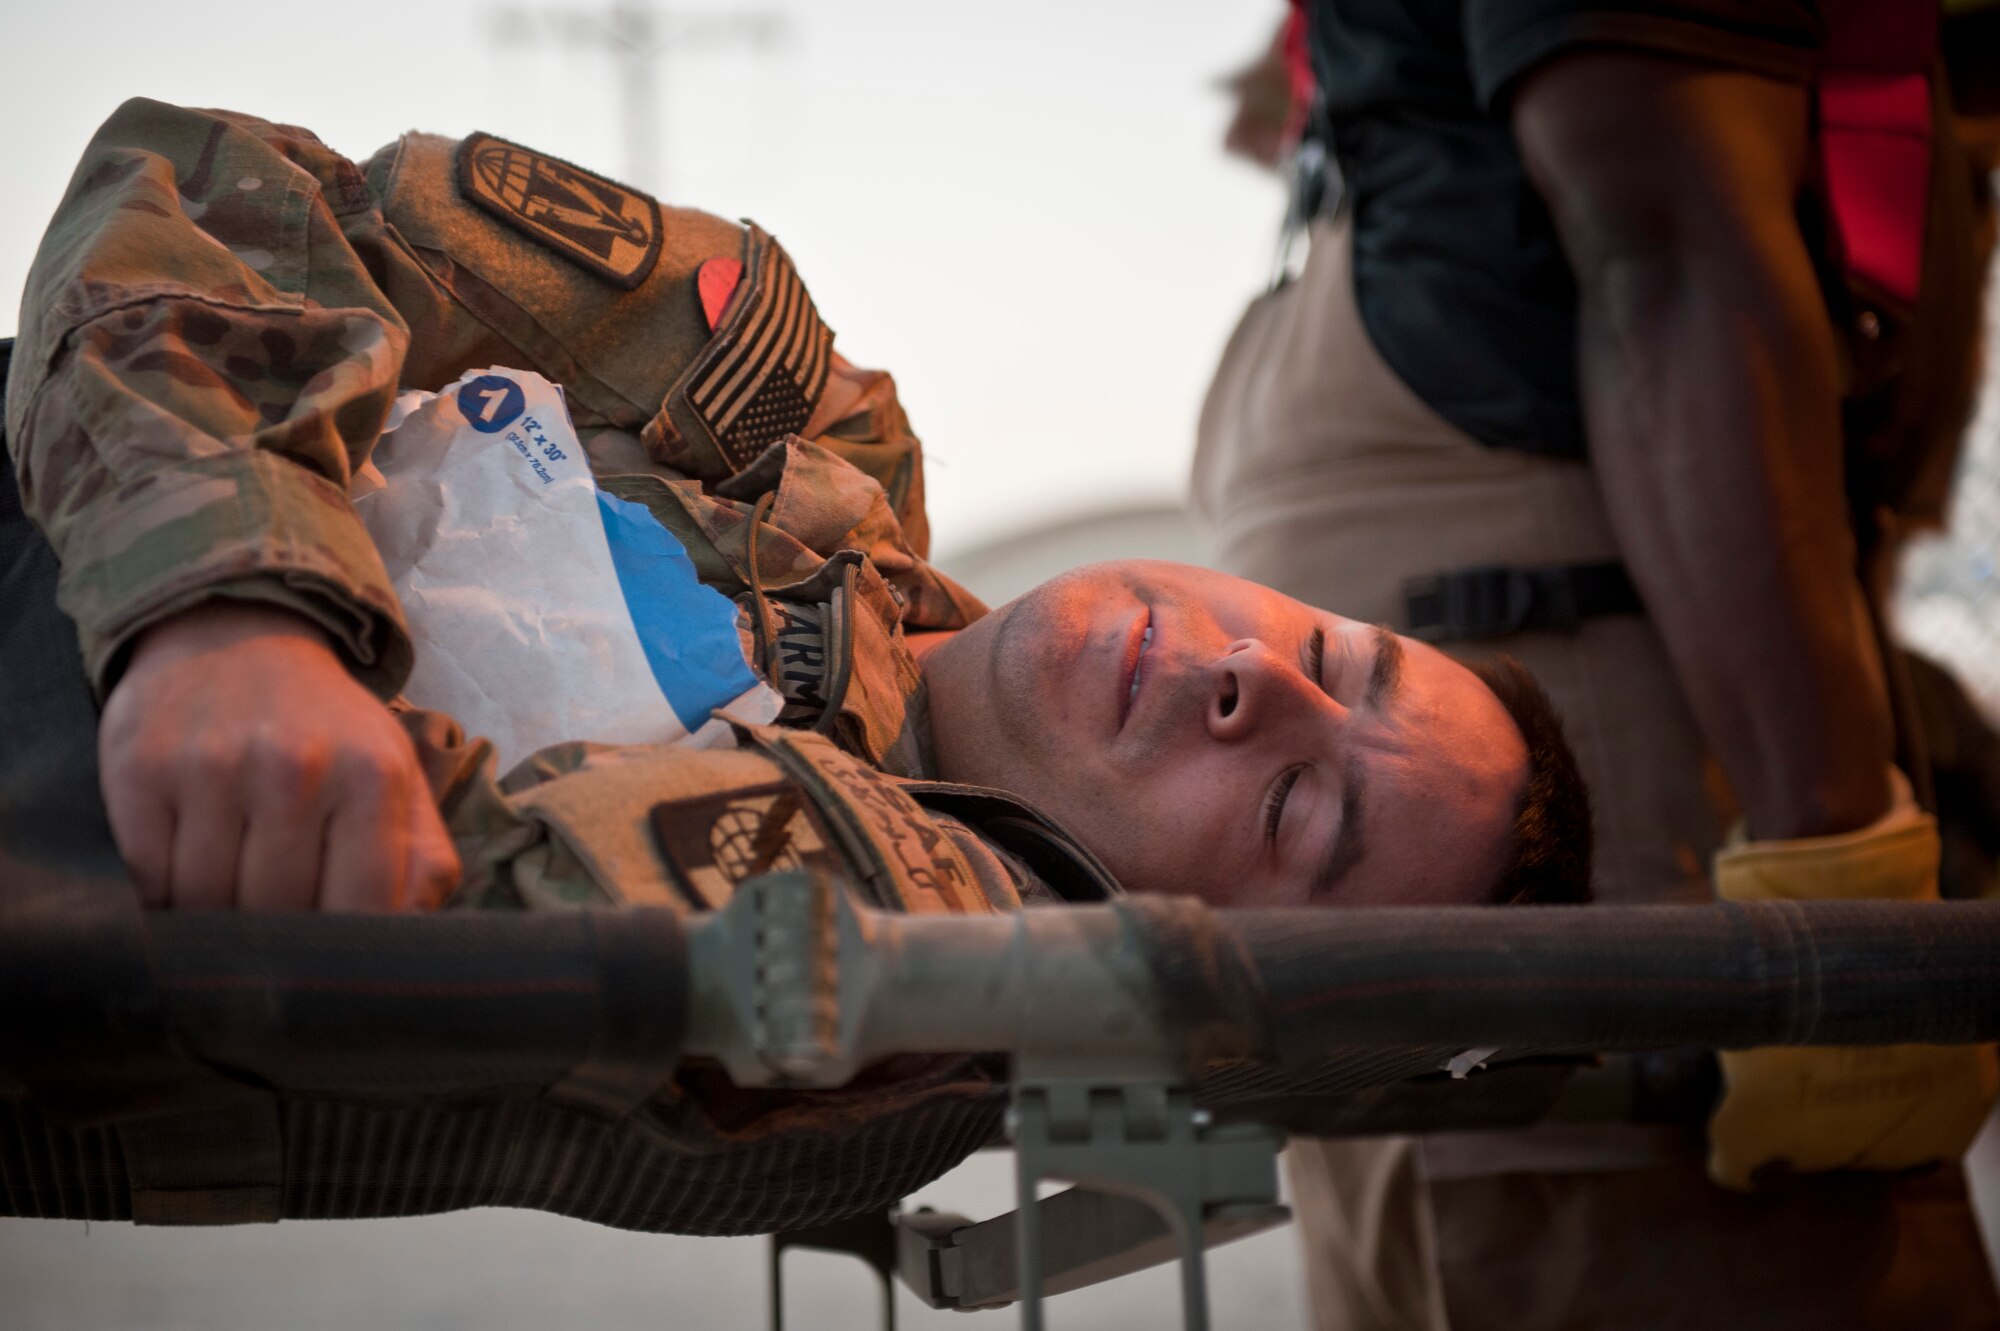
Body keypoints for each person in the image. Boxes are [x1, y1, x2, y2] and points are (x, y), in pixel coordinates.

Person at [2, 98, 1588, 927]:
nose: (1269, 686)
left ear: (1215, 953)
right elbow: (214, 192)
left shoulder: (891, 957)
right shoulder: (778, 406)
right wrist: (226, 611)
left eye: (1297, 811)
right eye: (1332, 648)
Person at [1194, 2, 2000, 1328]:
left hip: (1553, 653)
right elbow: (1665, 241)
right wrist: (1835, 866)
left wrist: (1830, 867)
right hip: (1547, 632)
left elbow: (1670, 225)